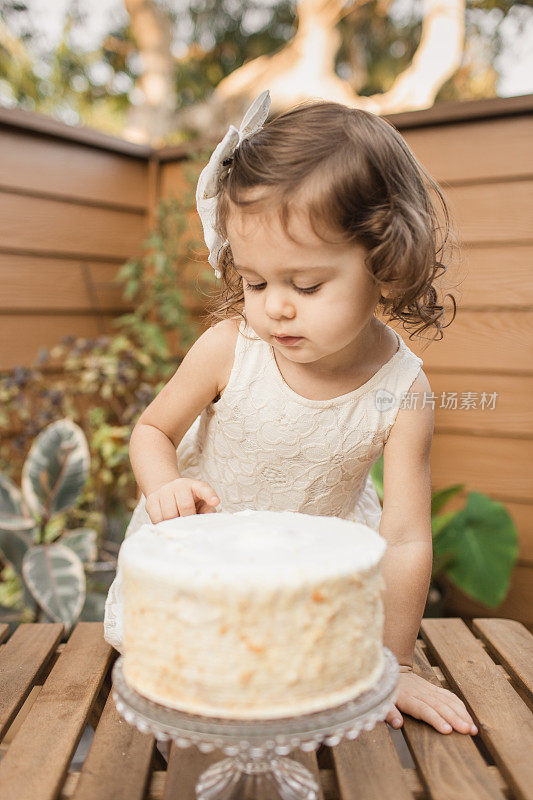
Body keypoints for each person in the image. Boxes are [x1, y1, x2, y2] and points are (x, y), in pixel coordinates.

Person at [104, 90, 477, 738]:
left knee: (299, 709)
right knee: (197, 710)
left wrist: (397, 663)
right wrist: (163, 487)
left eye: (304, 285)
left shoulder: (402, 390)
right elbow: (152, 431)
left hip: (309, 599)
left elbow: (407, 537)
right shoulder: (229, 349)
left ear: (384, 263)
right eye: (254, 283)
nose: (275, 306)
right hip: (201, 580)